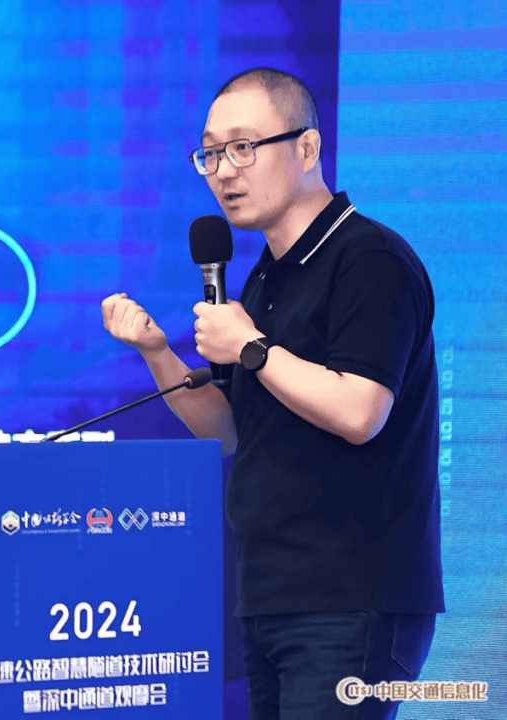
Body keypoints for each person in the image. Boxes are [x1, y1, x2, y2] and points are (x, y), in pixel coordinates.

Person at [101, 68, 443, 720]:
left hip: (353, 600)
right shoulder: (264, 276)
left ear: (306, 148)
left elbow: (360, 412)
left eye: (242, 147)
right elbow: (228, 430)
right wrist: (156, 352)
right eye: (209, 153)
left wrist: (252, 348)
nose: (222, 172)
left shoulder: (369, 259)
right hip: (271, 594)